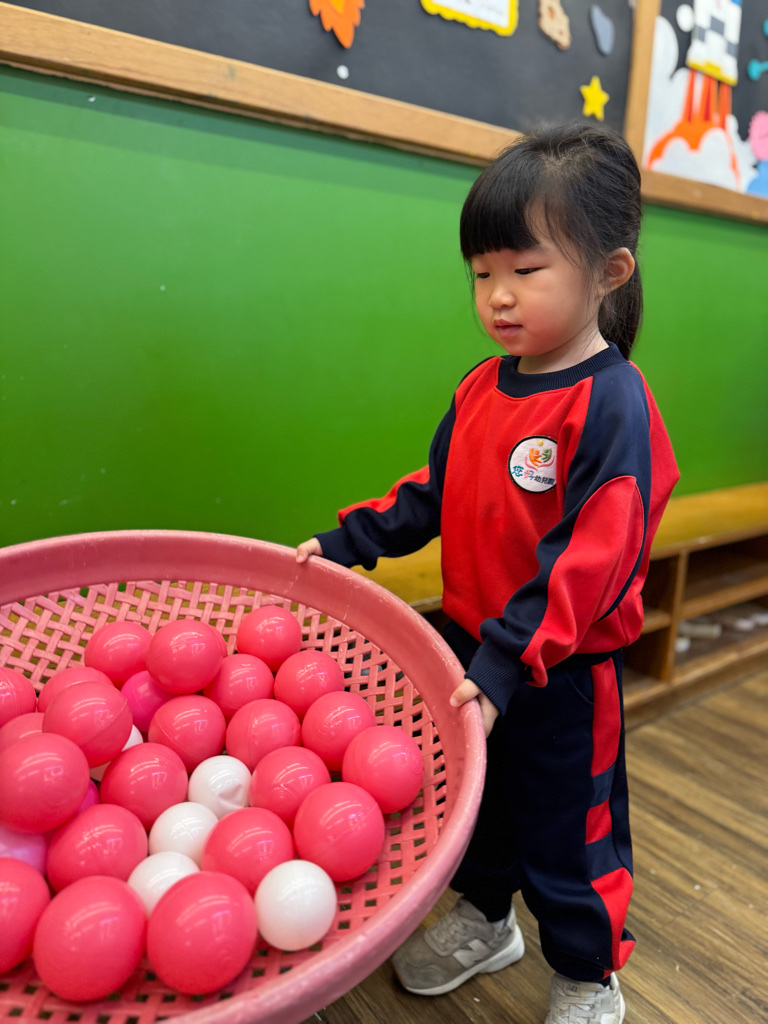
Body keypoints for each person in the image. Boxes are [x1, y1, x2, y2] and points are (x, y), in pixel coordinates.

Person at [295, 122, 679, 1024]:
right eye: (481, 273)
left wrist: (510, 658)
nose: (499, 296)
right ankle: (486, 917)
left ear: (609, 272)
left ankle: (588, 974)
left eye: (526, 270)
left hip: (559, 677)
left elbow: (590, 560)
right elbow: (436, 490)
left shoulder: (612, 404)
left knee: (569, 833)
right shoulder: (484, 385)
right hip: (473, 655)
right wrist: (349, 540)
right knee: (476, 807)